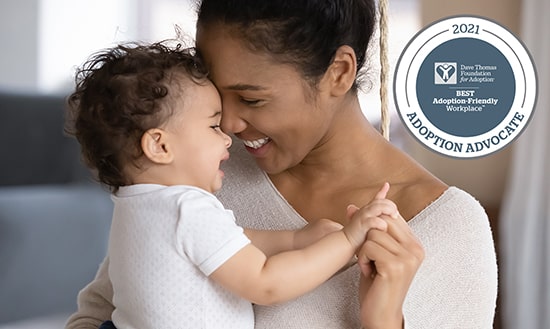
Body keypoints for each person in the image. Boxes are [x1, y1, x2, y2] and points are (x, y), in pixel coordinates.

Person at [66, 0, 498, 328]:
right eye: (216, 98)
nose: (231, 126)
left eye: (251, 98)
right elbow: (100, 313)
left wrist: (383, 321)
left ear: (339, 72)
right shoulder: (196, 171)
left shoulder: (449, 227)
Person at [64, 41, 400, 329]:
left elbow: (233, 239)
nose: (228, 137)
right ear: (160, 146)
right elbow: (266, 282)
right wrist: (347, 239)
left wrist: (297, 238)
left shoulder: (136, 206)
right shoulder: (186, 207)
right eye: (212, 126)